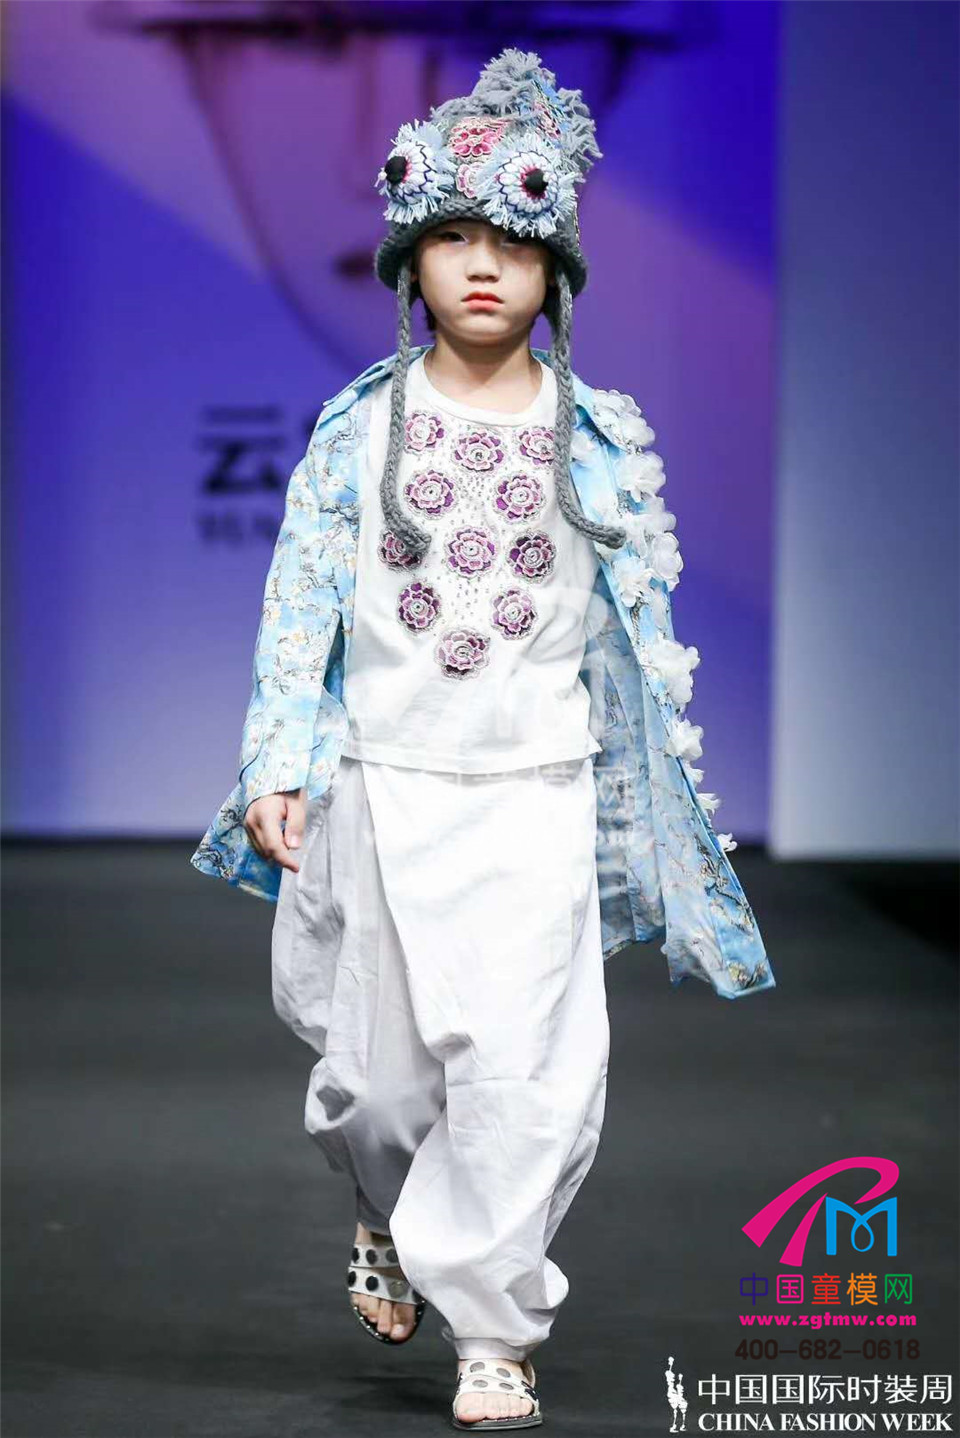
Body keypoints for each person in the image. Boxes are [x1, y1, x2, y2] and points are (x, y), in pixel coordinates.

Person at [191, 47, 775, 1431]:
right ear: (411, 258)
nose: (482, 267)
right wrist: (278, 760)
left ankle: (494, 1332)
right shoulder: (359, 431)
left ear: (553, 268)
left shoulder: (599, 439)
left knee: (523, 1082)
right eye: (453, 238)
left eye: (512, 243)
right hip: (386, 784)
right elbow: (301, 605)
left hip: (536, 793)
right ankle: (389, 1211)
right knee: (376, 1090)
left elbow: (634, 636)